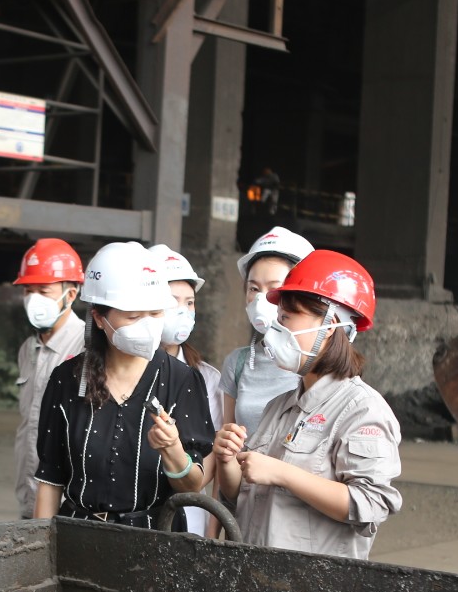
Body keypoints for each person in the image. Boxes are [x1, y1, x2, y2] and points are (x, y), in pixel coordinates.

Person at [213, 250, 403, 559]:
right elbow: (242, 497)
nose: (275, 332)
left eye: (286, 319)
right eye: (278, 320)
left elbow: (371, 504)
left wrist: (282, 473)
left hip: (314, 583)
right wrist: (227, 460)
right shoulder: (279, 407)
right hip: (257, 572)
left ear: (330, 326)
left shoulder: (363, 411)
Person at [32, 242, 215, 528]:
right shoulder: (66, 380)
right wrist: (40, 546)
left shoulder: (182, 380)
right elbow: (50, 480)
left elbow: (192, 487)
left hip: (156, 539)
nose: (148, 325)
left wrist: (173, 450)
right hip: (78, 535)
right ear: (99, 318)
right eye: (133, 316)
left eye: (156, 313)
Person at [150, 243, 223, 537]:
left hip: (188, 516)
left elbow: (212, 453)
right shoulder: (121, 373)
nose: (182, 311)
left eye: (189, 302)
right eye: (172, 301)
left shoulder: (207, 378)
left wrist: (185, 480)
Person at [13, 238, 87, 516]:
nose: (34, 300)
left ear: (71, 294)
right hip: (28, 496)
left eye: (43, 291)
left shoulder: (88, 348)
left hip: (69, 502)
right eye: (28, 291)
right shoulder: (27, 349)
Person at [220, 227, 315, 435]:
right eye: (254, 288)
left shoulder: (319, 364)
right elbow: (226, 438)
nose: (261, 299)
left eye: (274, 289)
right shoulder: (237, 363)